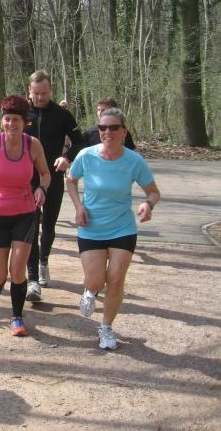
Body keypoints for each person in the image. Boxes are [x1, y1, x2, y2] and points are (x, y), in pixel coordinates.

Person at [66, 107, 159, 350]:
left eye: (113, 128)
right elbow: (71, 179)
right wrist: (78, 207)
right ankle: (90, 291)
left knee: (116, 279)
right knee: (96, 281)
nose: (107, 132)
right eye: (103, 128)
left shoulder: (133, 160)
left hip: (122, 228)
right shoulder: (86, 156)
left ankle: (106, 328)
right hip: (91, 227)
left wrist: (148, 204)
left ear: (124, 131)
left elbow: (153, 191)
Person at [0, 95, 51, 337]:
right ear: (2, 120)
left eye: (16, 120)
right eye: (7, 119)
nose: (11, 124)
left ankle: (17, 317)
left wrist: (41, 188)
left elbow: (46, 174)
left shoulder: (32, 145)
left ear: (24, 122)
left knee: (17, 271)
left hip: (25, 212)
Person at [24, 70, 84, 301]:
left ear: (51, 91)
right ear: (29, 91)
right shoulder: (23, 113)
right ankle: (32, 279)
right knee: (30, 226)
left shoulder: (62, 115)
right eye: (36, 93)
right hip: (27, 179)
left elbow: (80, 141)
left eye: (44, 93)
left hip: (53, 176)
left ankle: (43, 261)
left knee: (48, 225)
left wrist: (67, 158)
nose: (40, 98)